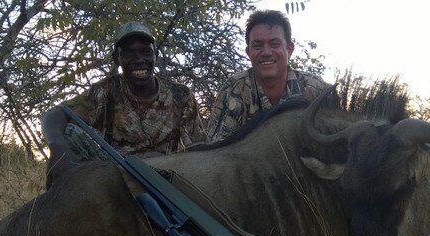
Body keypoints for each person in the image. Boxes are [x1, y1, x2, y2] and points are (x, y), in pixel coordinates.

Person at [42, 21, 203, 187]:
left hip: (167, 177)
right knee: (69, 133)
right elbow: (56, 114)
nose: (139, 59)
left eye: (145, 51)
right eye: (129, 53)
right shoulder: (105, 91)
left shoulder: (181, 95)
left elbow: (197, 147)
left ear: (156, 55)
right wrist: (57, 148)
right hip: (118, 176)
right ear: (116, 59)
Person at [206, 10, 337, 143]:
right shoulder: (233, 89)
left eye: (275, 44)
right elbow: (217, 151)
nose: (266, 52)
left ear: (289, 49)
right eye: (257, 46)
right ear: (248, 52)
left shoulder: (318, 90)